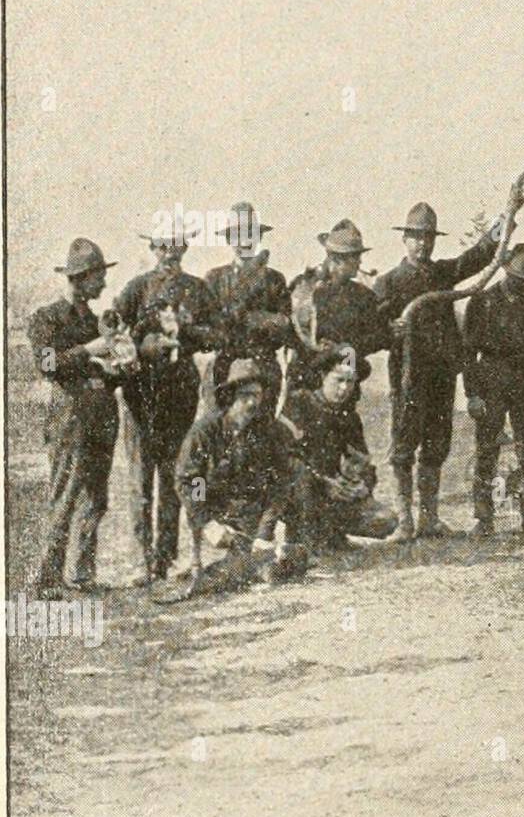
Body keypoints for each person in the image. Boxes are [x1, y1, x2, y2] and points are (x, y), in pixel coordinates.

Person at [374, 200, 503, 540]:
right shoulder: (388, 283)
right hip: (407, 376)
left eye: (428, 238)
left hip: (442, 375)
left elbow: (475, 257)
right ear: (404, 240)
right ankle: (404, 520)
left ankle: (428, 517)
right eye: (416, 237)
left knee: (435, 445)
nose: (423, 244)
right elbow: (370, 329)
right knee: (403, 446)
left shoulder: (443, 274)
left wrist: (505, 221)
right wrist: (390, 329)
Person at [116, 222, 223, 587]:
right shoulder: (136, 288)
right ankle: (141, 561)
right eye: (163, 247)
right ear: (153, 249)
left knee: (173, 477)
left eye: (176, 246)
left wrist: (187, 332)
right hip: (141, 395)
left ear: (186, 249)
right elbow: (112, 330)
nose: (169, 254)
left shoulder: (197, 289)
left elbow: (217, 334)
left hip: (179, 395)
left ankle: (166, 557)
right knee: (140, 481)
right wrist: (140, 345)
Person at [28, 239, 124, 597]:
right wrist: (90, 350)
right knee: (65, 494)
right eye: (98, 277)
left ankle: (81, 576)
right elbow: (47, 364)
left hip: (101, 412)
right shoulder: (46, 318)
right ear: (80, 278)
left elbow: (109, 373)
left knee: (95, 498)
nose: (102, 285)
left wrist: (119, 366)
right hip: (71, 415)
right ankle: (46, 580)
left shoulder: (97, 321)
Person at [167, 360, 296, 601]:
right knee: (252, 567)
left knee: (261, 565)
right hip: (211, 509)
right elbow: (188, 479)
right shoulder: (205, 431)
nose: (252, 402)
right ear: (231, 397)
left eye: (257, 395)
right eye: (245, 395)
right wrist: (206, 522)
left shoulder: (267, 430)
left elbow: (281, 482)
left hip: (248, 513)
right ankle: (200, 567)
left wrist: (264, 532)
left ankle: (222, 571)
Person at [464, 244, 524, 539]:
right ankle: (484, 518)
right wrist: (472, 394)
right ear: (506, 272)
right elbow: (468, 353)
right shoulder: (482, 302)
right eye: (520, 277)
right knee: (486, 450)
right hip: (490, 382)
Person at [279, 345, 398, 553]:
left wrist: (362, 485)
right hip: (296, 491)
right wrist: (324, 481)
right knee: (301, 481)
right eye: (338, 380)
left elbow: (364, 461)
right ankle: (304, 539)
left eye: (350, 382)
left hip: (332, 493)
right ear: (324, 376)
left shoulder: (349, 417)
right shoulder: (299, 402)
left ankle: (331, 535)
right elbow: (285, 457)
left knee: (386, 520)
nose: (344, 388)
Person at [203, 202, 293, 410]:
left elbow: (285, 327)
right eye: (238, 234)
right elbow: (205, 324)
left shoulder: (274, 280)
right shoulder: (215, 279)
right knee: (221, 427)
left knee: (260, 429)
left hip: (263, 365)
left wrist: (259, 320)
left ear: (259, 238)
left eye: (250, 234)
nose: (245, 241)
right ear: (229, 239)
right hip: (224, 364)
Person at [286, 220, 386, 394]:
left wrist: (346, 347)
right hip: (305, 381)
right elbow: (290, 331)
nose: (360, 262)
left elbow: (378, 337)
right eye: (354, 257)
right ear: (337, 259)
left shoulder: (363, 296)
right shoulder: (304, 288)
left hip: (344, 385)